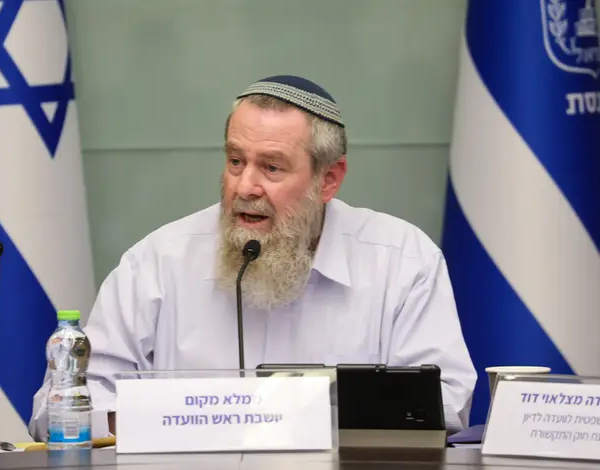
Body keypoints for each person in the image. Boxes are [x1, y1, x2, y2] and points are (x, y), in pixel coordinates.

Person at [28, 75, 476, 441]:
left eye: (272, 167)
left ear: (328, 179)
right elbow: (58, 409)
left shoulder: (401, 260)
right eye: (236, 161)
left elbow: (446, 402)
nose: (245, 186)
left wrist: (290, 421)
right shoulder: (158, 261)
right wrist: (184, 422)